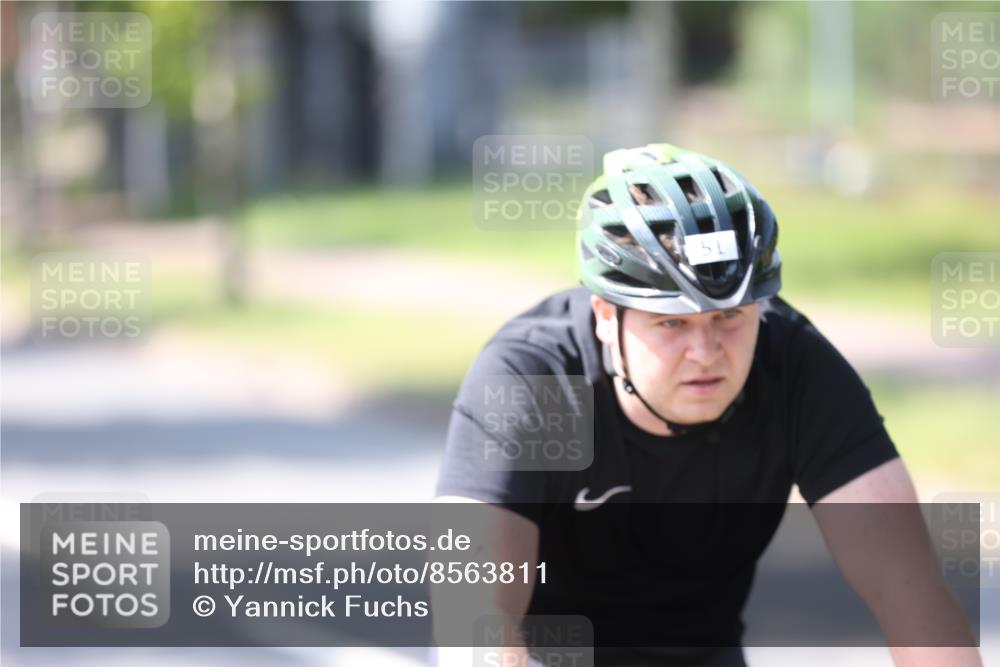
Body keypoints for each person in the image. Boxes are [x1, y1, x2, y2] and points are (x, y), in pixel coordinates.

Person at [433, 144, 981, 666]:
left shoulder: (794, 369)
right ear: (605, 315)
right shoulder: (535, 381)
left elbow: (909, 591)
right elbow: (473, 617)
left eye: (730, 317)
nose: (705, 352)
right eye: (671, 323)